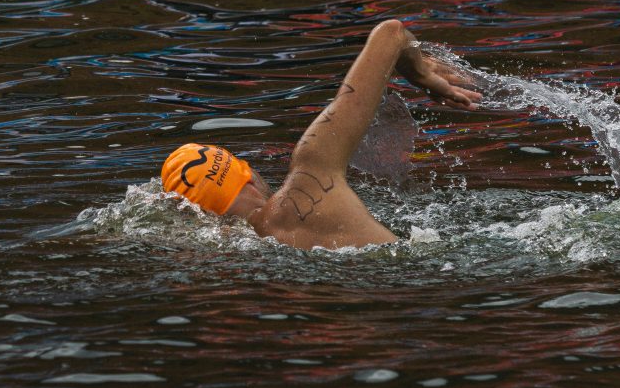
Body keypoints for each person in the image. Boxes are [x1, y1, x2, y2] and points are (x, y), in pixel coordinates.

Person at [160, 19, 482, 249]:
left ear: (204, 219)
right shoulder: (310, 176)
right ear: (248, 176)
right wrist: (422, 73)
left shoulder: (246, 248)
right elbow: (391, 33)